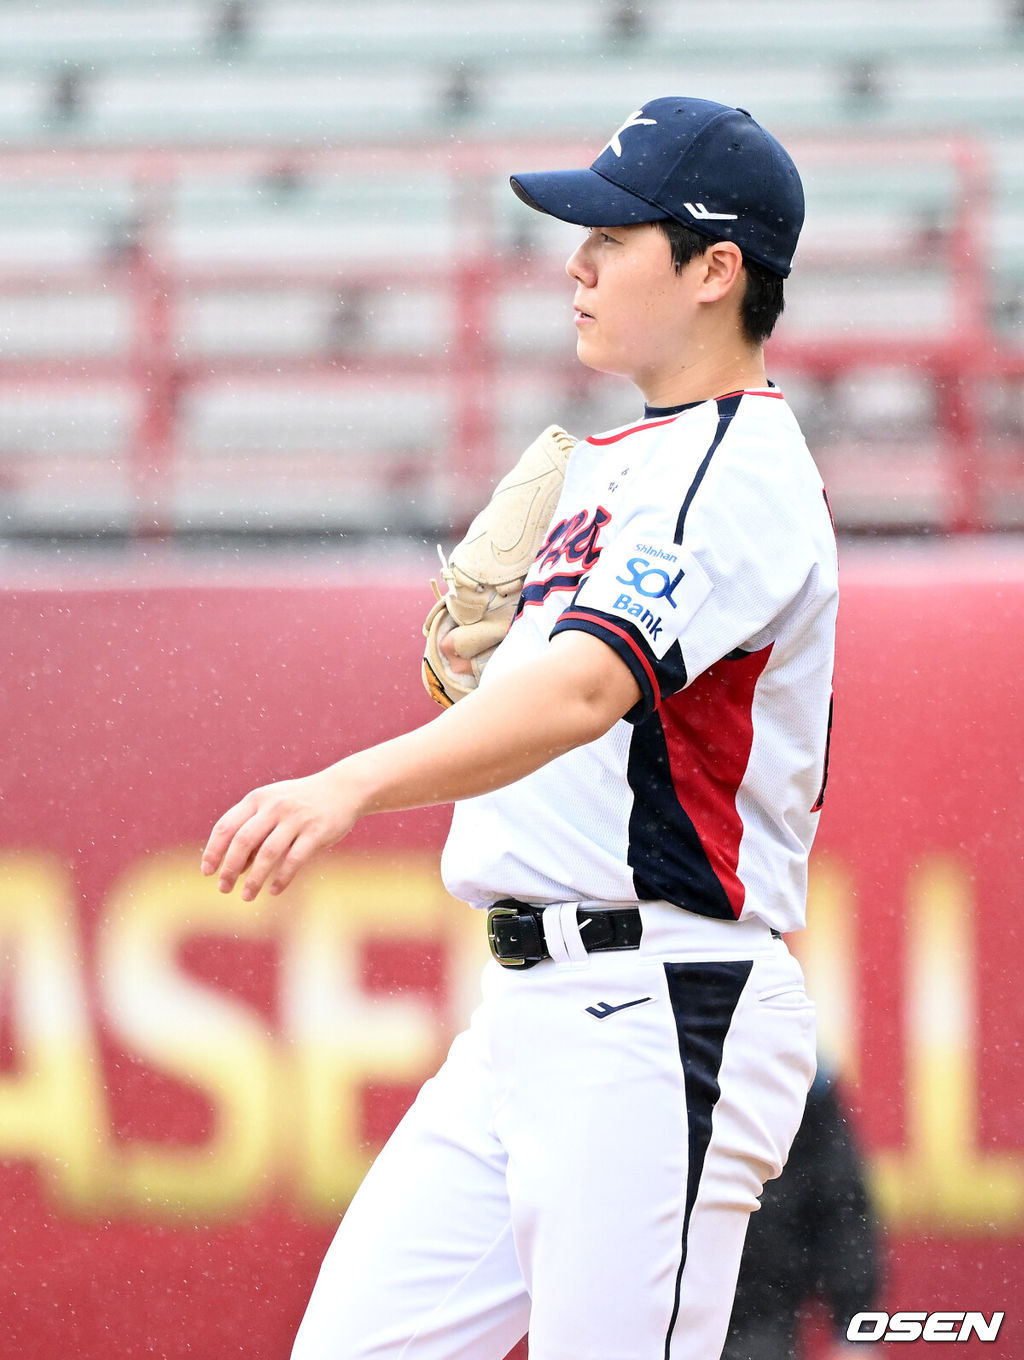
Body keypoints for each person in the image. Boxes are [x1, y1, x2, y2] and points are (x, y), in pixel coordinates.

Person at [202, 97, 839, 1360]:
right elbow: (580, 714)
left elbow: (583, 694)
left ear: (717, 271)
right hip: (530, 1018)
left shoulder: (740, 468)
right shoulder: (616, 461)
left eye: (616, 233)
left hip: (660, 1003)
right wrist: (472, 682)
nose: (578, 260)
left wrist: (345, 783)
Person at [722, 1068, 882, 1360]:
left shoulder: (800, 1071)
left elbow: (840, 1205)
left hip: (757, 1308)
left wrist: (853, 1325)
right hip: (664, 1300)